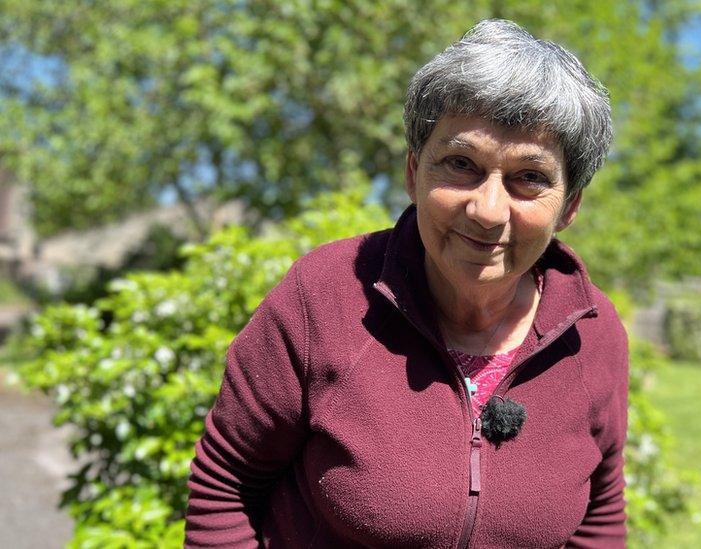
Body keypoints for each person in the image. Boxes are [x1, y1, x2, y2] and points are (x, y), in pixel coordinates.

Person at [185, 19, 627, 548]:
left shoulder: (593, 336)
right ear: (413, 172)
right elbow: (224, 484)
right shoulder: (323, 296)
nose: (487, 211)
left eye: (529, 177)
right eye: (461, 164)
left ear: (570, 206)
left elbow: (599, 522)